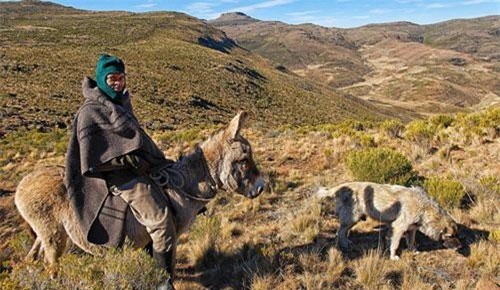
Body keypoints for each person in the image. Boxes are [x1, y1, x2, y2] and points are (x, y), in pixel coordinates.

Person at [64, 54, 175, 288]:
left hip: (137, 167)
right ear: (102, 80)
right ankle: (163, 282)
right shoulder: (90, 112)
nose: (117, 83)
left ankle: (148, 259)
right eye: (112, 78)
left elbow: (135, 139)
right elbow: (91, 160)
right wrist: (129, 162)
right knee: (161, 220)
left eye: (121, 78)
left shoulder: (121, 104)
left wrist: (148, 159)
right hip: (118, 176)